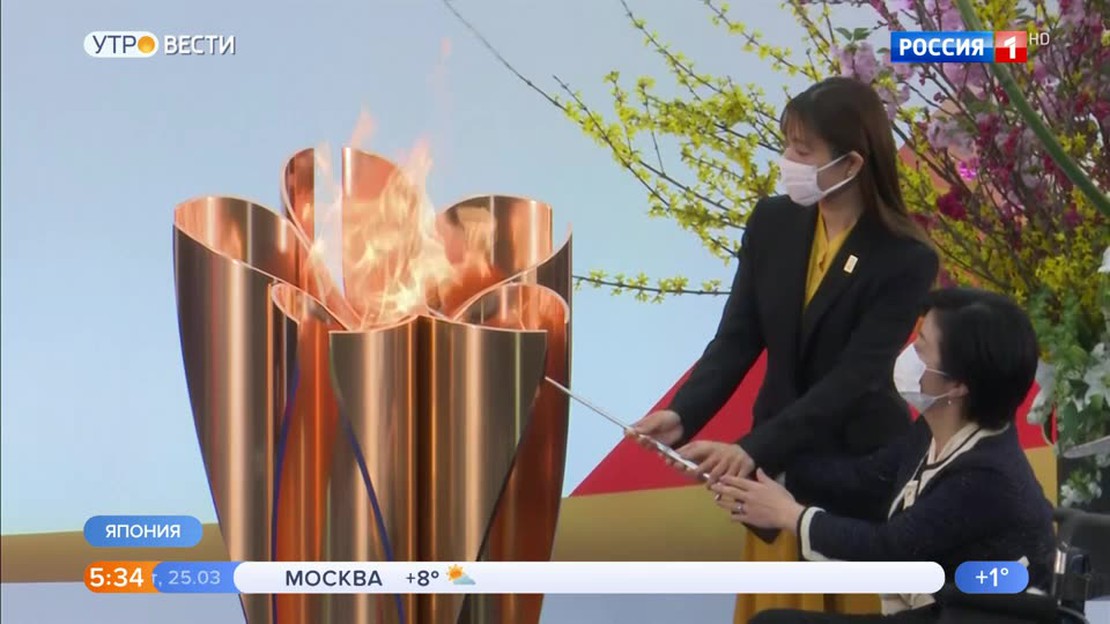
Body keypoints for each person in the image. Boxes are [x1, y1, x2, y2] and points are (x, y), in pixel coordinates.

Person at [631, 76, 939, 617]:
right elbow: (737, 337)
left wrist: (753, 448)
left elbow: (855, 377)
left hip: (853, 475)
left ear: (851, 163)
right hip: (774, 477)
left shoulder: (905, 257)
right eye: (786, 146)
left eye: (802, 150)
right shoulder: (773, 222)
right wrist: (683, 414)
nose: (787, 161)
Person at [710, 287, 1057, 623]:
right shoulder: (933, 431)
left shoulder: (986, 475)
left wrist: (790, 515)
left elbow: (888, 549)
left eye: (921, 347)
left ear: (958, 385)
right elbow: (865, 479)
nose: (908, 353)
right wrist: (753, 465)